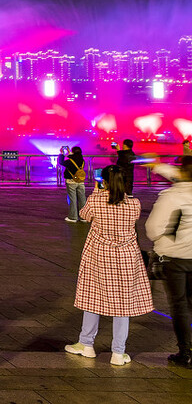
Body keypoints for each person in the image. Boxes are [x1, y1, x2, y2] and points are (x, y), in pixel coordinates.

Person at [65, 164, 153, 366]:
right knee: (123, 305)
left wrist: (98, 192)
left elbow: (85, 216)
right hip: (126, 258)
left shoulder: (96, 199)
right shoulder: (135, 204)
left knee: (92, 296)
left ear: (103, 181)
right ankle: (118, 352)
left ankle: (86, 344)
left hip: (98, 255)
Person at [145, 156, 192, 368]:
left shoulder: (171, 197)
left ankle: (186, 352)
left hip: (175, 258)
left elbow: (153, 229)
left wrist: (163, 241)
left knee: (180, 304)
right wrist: (159, 167)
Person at [61, 147, 88, 223]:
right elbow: (74, 159)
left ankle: (73, 217)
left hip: (71, 181)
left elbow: (61, 162)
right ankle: (83, 217)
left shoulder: (69, 161)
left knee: (72, 199)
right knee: (82, 199)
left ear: (73, 152)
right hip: (80, 181)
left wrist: (62, 153)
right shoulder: (82, 161)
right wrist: (70, 153)